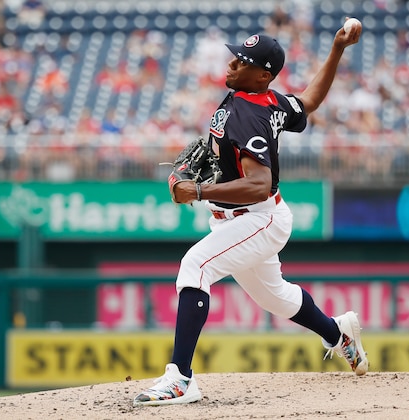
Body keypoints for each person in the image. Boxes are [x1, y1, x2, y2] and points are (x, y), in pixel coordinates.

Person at [133, 23, 367, 406]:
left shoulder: (248, 111)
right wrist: (337, 50)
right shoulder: (265, 99)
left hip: (258, 217)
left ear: (263, 74)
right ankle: (338, 332)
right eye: (236, 55)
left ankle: (180, 379)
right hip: (246, 217)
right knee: (277, 298)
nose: (232, 63)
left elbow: (259, 183)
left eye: (243, 61)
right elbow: (308, 101)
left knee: (195, 266)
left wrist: (200, 189)